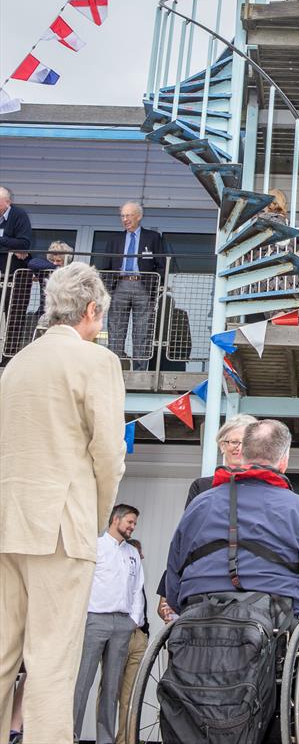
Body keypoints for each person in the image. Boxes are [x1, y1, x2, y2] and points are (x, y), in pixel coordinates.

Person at [0, 262, 126, 744]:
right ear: (91, 310)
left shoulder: (17, 363)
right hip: (60, 525)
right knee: (51, 660)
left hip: (10, 521)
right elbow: (109, 456)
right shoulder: (96, 361)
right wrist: (93, 521)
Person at [165, 419, 299, 619]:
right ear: (284, 460)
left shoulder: (200, 504)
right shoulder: (297, 508)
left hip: (198, 611)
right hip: (274, 614)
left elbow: (173, 572)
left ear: (244, 454)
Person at [155, 413, 258, 623]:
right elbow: (185, 539)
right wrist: (168, 589)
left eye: (244, 442)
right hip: (206, 574)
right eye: (232, 442)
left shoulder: (263, 488)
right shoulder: (201, 487)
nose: (237, 447)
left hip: (251, 577)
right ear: (222, 445)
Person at [73, 505, 144, 744]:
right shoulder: (96, 546)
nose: (133, 527)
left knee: (112, 686)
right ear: (116, 519)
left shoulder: (133, 553)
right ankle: (69, 734)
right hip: (95, 620)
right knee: (83, 681)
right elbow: (82, 583)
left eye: (134, 524)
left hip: (122, 624)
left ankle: (105, 739)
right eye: (130, 522)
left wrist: (133, 620)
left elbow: (137, 589)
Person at [99, 201, 165, 370]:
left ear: (139, 216)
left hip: (142, 286)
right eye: (122, 216)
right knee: (116, 330)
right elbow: (105, 266)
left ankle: (140, 372)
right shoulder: (115, 240)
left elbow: (161, 265)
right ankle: (114, 369)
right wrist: (109, 288)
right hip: (119, 285)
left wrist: (154, 287)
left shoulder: (153, 237)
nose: (125, 219)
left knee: (142, 331)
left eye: (128, 215)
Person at [111, 538, 148, 744]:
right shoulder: (120, 575)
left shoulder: (139, 579)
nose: (141, 556)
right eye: (137, 552)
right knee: (110, 691)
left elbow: (142, 605)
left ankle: (124, 740)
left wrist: (145, 632)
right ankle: (106, 738)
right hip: (120, 633)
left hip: (139, 635)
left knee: (130, 696)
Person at [0, 186, 33, 355]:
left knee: (14, 316)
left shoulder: (18, 215)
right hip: (2, 274)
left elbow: (24, 243)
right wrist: (8, 244)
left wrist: (1, 240)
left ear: (8, 202)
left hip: (15, 276)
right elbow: (15, 244)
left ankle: (9, 354)